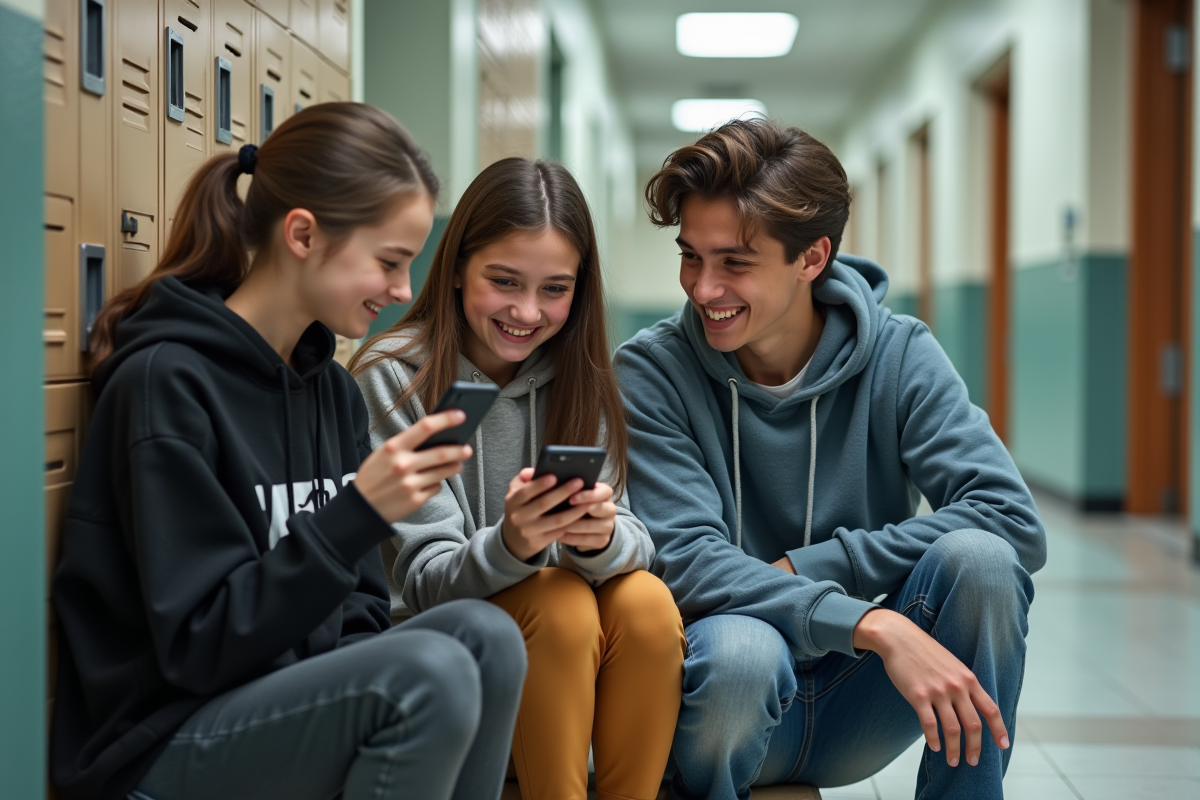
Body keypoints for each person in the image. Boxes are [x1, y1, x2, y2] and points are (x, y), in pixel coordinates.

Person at [50, 103, 527, 800]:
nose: (403, 292)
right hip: (161, 740)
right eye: (391, 263)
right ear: (303, 234)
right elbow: (198, 645)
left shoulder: (331, 389)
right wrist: (356, 514)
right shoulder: (165, 385)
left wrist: (353, 536)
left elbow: (362, 612)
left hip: (283, 707)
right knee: (427, 674)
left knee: (487, 638)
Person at [613, 119, 1047, 800]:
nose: (702, 288)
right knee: (741, 652)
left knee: (983, 563)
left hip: (859, 699)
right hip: (731, 695)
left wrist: (823, 569)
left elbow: (1011, 521)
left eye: (734, 262)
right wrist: (869, 621)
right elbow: (686, 560)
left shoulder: (899, 353)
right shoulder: (651, 370)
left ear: (811, 259)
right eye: (690, 256)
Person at [351, 157, 685, 800]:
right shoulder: (397, 378)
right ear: (454, 270)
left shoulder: (583, 376)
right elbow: (422, 583)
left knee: (644, 603)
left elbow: (638, 541)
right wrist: (515, 545)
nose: (527, 313)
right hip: (446, 669)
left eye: (554, 289)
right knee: (555, 600)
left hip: (566, 688)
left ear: (579, 290)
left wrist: (599, 540)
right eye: (503, 281)